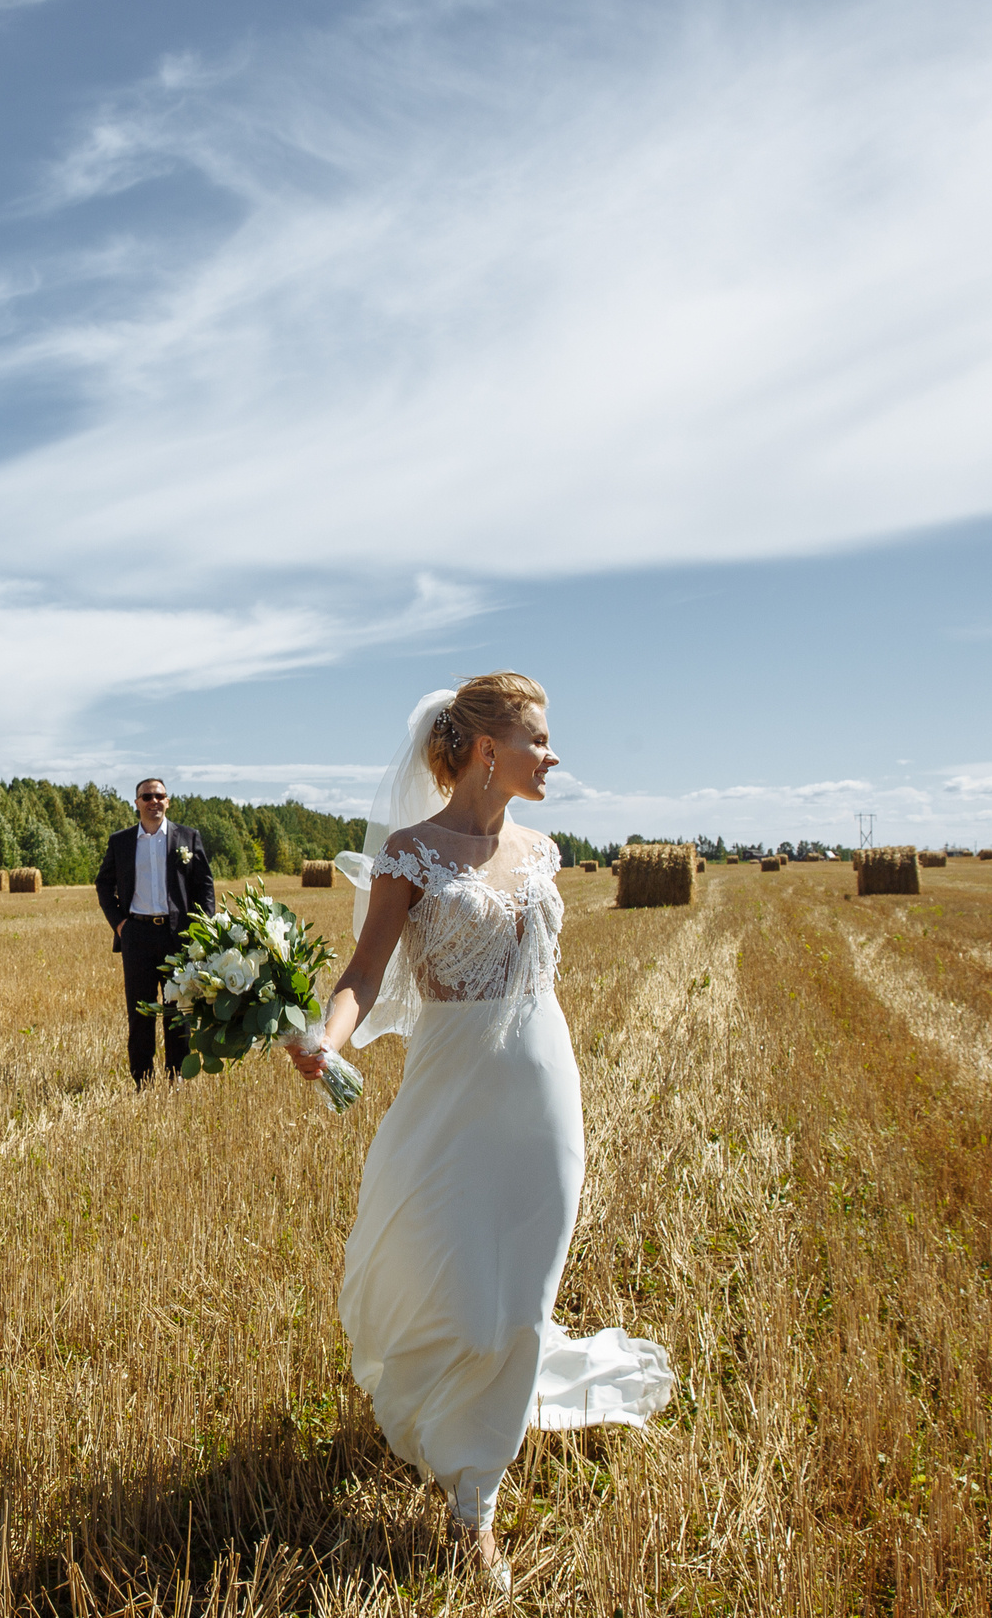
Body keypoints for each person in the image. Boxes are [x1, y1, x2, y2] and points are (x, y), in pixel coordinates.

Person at [285, 675, 674, 1590]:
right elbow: (364, 973)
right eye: (540, 738)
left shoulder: (543, 851)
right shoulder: (410, 854)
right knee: (459, 1293)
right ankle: (451, 1420)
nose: (554, 755)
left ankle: (475, 1507)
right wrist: (323, 1038)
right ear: (489, 748)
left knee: (520, 1303)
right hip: (454, 1092)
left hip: (545, 1092)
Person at [94, 777, 218, 1086]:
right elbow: (103, 884)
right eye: (147, 796)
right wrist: (120, 924)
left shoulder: (187, 837)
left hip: (178, 936)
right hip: (136, 935)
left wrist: (202, 930)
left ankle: (176, 1078)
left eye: (160, 796)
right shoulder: (121, 841)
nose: (154, 801)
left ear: (168, 801)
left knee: (179, 1011)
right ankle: (142, 1080)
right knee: (140, 1013)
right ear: (136, 803)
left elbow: (205, 887)